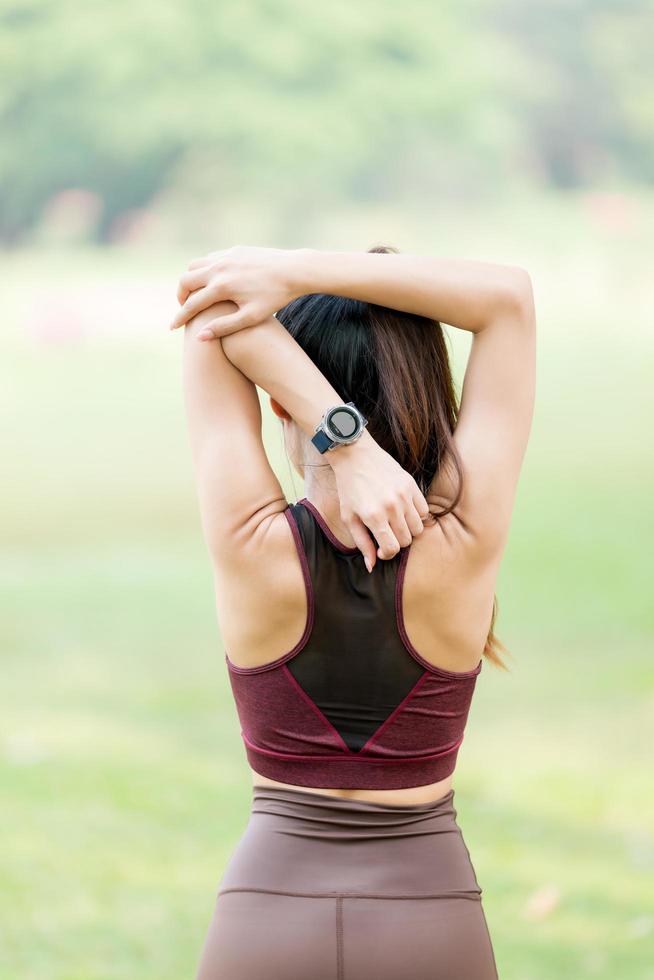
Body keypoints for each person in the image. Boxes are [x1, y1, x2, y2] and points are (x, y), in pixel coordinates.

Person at [169, 243, 536, 980]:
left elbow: (209, 303)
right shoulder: (463, 542)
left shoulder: (252, 546)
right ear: (433, 386)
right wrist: (306, 274)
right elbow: (509, 301)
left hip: (263, 918)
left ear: (277, 397)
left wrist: (342, 439)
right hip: (431, 918)